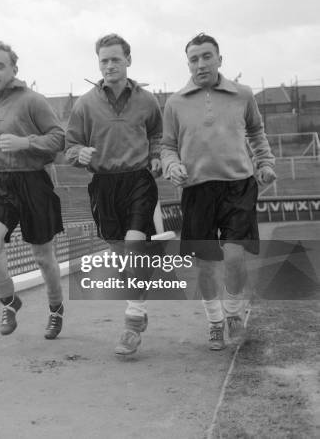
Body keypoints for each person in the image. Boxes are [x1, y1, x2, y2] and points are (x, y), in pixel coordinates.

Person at [161, 33, 276, 350]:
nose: (200, 64)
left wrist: (264, 162)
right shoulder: (175, 103)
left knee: (235, 255)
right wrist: (172, 167)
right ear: (188, 64)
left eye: (206, 56)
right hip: (197, 190)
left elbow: (256, 131)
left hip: (239, 186)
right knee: (206, 263)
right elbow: (167, 146)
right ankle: (214, 321)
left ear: (219, 59)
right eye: (194, 59)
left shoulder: (242, 94)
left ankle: (234, 313)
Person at [65, 33, 163, 355]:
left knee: (134, 246)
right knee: (124, 255)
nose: (109, 65)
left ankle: (133, 322)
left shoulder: (148, 101)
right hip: (103, 185)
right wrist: (77, 153)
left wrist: (159, 156)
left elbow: (158, 136)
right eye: (104, 60)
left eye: (115, 59)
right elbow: (69, 146)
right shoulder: (85, 104)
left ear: (128, 61)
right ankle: (140, 295)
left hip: (138, 180)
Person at [0, 40, 65, 339]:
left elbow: (58, 139)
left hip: (33, 179)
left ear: (14, 69)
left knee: (42, 255)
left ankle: (55, 309)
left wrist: (26, 142)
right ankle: (9, 301)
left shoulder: (33, 100)